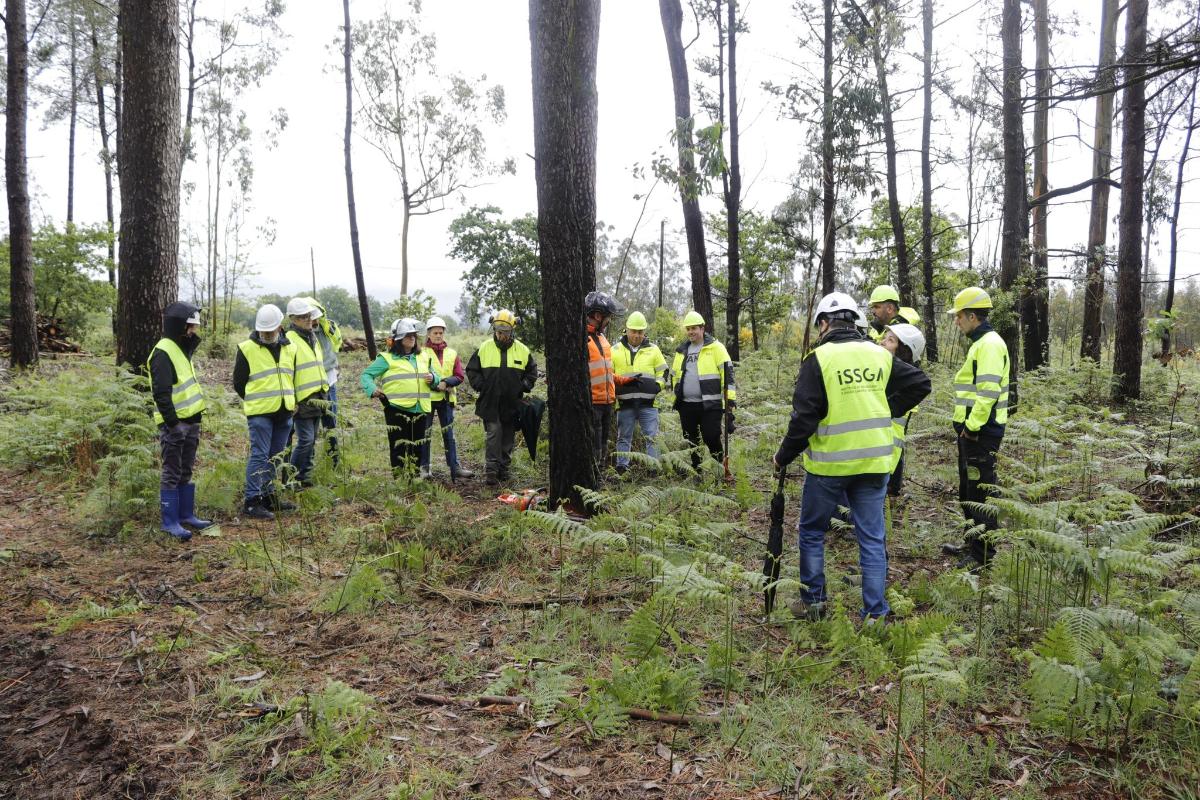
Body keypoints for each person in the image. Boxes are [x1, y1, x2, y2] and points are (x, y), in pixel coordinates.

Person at [773, 292, 930, 621]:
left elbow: (804, 420)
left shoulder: (818, 359)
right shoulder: (878, 355)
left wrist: (782, 456)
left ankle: (814, 603)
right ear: (854, 322)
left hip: (830, 466)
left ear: (825, 323)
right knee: (872, 538)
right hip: (875, 463)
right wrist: (887, 408)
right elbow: (920, 382)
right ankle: (875, 615)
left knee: (813, 531)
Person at [940, 287, 1011, 569]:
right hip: (972, 432)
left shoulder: (990, 345)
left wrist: (971, 427)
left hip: (981, 433)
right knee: (968, 491)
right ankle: (972, 543)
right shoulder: (981, 343)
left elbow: (988, 392)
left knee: (980, 493)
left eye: (958, 316)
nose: (956, 321)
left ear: (971, 315)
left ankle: (983, 555)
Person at [148, 301, 211, 540]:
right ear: (180, 326)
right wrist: (173, 424)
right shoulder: (163, 352)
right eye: (191, 326)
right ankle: (170, 522)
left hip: (191, 421)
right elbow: (161, 394)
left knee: (185, 470)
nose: (194, 331)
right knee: (172, 472)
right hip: (175, 424)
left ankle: (186, 516)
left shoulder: (180, 348)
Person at [233, 304, 298, 520]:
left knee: (275, 456)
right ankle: (252, 501)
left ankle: (269, 496)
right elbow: (239, 383)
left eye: (271, 331)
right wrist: (257, 401)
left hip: (284, 411)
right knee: (260, 455)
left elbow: (292, 376)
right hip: (260, 414)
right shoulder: (246, 348)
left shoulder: (291, 347)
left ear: (280, 327)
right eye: (264, 331)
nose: (267, 335)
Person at [466, 310, 538, 486]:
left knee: (507, 435)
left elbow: (532, 373)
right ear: (494, 330)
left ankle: (504, 469)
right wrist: (481, 386)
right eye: (499, 332)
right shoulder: (485, 348)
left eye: (505, 332)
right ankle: (491, 470)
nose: (501, 335)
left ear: (512, 331)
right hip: (490, 401)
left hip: (512, 402)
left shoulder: (522, 350)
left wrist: (523, 386)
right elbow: (472, 370)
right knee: (494, 433)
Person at [362, 318, 440, 478]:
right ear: (398, 340)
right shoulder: (386, 358)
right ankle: (399, 481)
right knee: (398, 448)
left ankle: (414, 480)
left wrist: (434, 378)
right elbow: (366, 375)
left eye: (413, 335)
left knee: (417, 447)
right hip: (396, 410)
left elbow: (436, 376)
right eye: (408, 335)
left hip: (420, 408)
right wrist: (372, 389)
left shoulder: (424, 356)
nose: (412, 338)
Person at [670, 310, 736, 473]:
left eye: (694, 328)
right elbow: (674, 375)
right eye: (688, 328)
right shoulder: (681, 351)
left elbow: (728, 375)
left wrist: (730, 401)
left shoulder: (716, 348)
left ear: (702, 328)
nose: (691, 331)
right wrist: (676, 391)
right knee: (691, 440)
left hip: (710, 404)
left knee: (711, 436)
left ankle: (720, 468)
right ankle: (696, 469)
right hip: (686, 405)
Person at [611, 311, 667, 475]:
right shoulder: (614, 350)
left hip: (649, 404)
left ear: (644, 332)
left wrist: (658, 386)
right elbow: (608, 375)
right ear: (626, 330)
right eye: (633, 331)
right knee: (623, 437)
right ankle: (622, 468)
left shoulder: (654, 350)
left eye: (640, 332)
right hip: (624, 404)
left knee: (652, 437)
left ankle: (653, 468)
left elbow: (663, 371)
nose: (636, 335)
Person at [418, 315, 474, 480]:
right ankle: (424, 469)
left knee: (449, 435)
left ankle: (454, 467)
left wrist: (446, 383)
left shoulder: (452, 353)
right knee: (425, 435)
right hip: (427, 399)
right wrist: (438, 384)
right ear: (428, 334)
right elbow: (421, 375)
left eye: (440, 332)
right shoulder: (421, 353)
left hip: (446, 399)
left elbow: (459, 376)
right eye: (435, 332)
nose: (438, 335)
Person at [284, 297, 330, 487]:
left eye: (309, 316)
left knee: (311, 441)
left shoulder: (312, 337)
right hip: (302, 399)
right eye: (303, 317)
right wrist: (292, 399)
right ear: (293, 319)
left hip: (319, 395)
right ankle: (290, 480)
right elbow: (287, 372)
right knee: (306, 440)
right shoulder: (289, 340)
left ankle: (304, 477)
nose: (308, 320)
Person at [879, 323, 927, 499]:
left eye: (890, 340)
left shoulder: (902, 381)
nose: (882, 342)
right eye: (885, 338)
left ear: (903, 351)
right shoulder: (885, 371)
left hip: (883, 455)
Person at [584, 291, 629, 471]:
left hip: (607, 400)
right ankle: (592, 474)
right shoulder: (582, 339)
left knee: (603, 441)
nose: (609, 321)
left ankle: (600, 472)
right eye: (608, 317)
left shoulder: (602, 338)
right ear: (597, 316)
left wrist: (626, 381)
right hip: (592, 402)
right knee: (593, 442)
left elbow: (606, 372)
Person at [307, 297, 344, 468]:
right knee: (309, 429)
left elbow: (335, 347)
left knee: (331, 424)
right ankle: (308, 464)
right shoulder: (299, 333)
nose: (313, 321)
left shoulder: (327, 328)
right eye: (309, 317)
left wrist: (336, 368)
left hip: (329, 382)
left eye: (315, 317)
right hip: (309, 385)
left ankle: (334, 463)